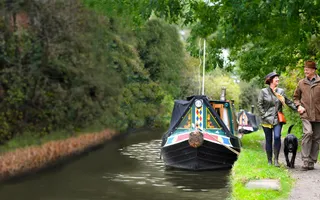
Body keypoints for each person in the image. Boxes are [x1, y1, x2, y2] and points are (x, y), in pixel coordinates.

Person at [258, 72, 297, 167]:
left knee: (277, 137)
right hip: (266, 120)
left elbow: (288, 101)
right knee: (268, 139)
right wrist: (264, 115)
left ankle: (276, 160)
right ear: (270, 80)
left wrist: (298, 109)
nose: (278, 80)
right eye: (276, 78)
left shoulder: (281, 91)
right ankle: (269, 161)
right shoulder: (263, 92)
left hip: (277, 119)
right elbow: (259, 105)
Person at [293, 60, 320, 170]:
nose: (305, 71)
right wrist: (298, 106)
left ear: (313, 70)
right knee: (308, 133)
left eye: (307, 69)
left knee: (317, 138)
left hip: (318, 114)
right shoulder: (301, 83)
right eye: (304, 69)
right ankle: (305, 160)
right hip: (305, 113)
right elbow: (295, 97)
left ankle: (311, 161)